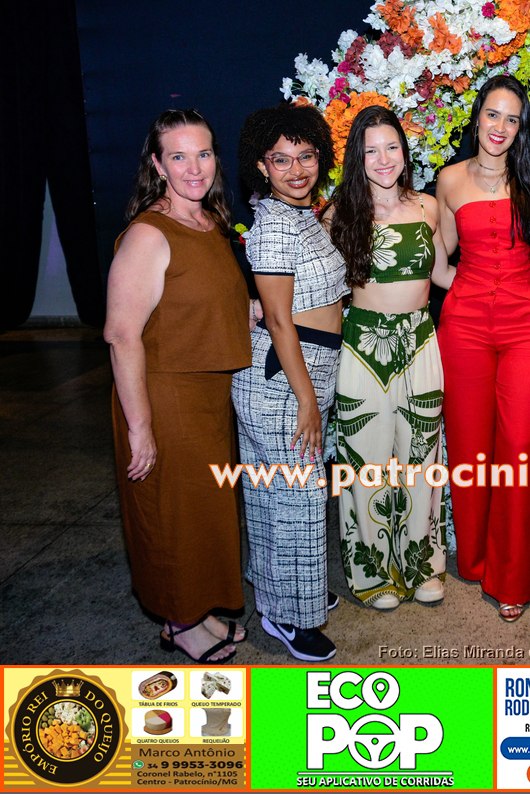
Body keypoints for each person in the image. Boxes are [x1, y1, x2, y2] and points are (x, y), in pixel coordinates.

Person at [105, 109, 251, 663]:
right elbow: (121, 334)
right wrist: (140, 427)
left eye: (204, 154)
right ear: (158, 165)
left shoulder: (209, 222)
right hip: (163, 396)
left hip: (207, 396)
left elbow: (204, 302)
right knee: (171, 515)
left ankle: (196, 607)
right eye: (179, 156)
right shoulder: (149, 233)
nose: (195, 168)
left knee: (202, 512)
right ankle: (179, 621)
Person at [435, 74, 530, 622]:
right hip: (463, 329)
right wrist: (464, 289)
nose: (500, 127)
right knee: (468, 447)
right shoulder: (450, 180)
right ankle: (476, 557)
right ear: (477, 116)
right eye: (492, 114)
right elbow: (439, 259)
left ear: (520, 127)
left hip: (526, 328)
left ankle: (511, 575)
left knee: (519, 448)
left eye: (512, 119)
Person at [231, 103, 348, 661]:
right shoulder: (275, 224)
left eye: (305, 156)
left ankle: (284, 593)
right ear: (262, 166)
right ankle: (290, 619)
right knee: (298, 498)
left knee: (274, 493)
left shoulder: (300, 214)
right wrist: (306, 399)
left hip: (297, 372)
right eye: (282, 160)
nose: (297, 169)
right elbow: (279, 320)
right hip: (283, 381)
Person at [324, 106, 448, 610]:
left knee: (422, 460)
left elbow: (445, 274)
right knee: (366, 462)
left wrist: (512, 288)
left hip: (420, 342)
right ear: (357, 158)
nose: (383, 159)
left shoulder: (429, 207)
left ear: (404, 151)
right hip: (361, 345)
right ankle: (374, 572)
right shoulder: (337, 213)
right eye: (370, 150)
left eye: (391, 146)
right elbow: (313, 284)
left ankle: (422, 565)